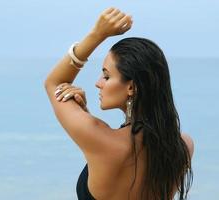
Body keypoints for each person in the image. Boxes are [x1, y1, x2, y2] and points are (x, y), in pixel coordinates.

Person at [44, 7, 194, 200]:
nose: (98, 83)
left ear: (131, 87)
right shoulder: (182, 147)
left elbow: (54, 83)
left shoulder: (101, 140)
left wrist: (98, 34)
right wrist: (85, 114)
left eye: (106, 76)